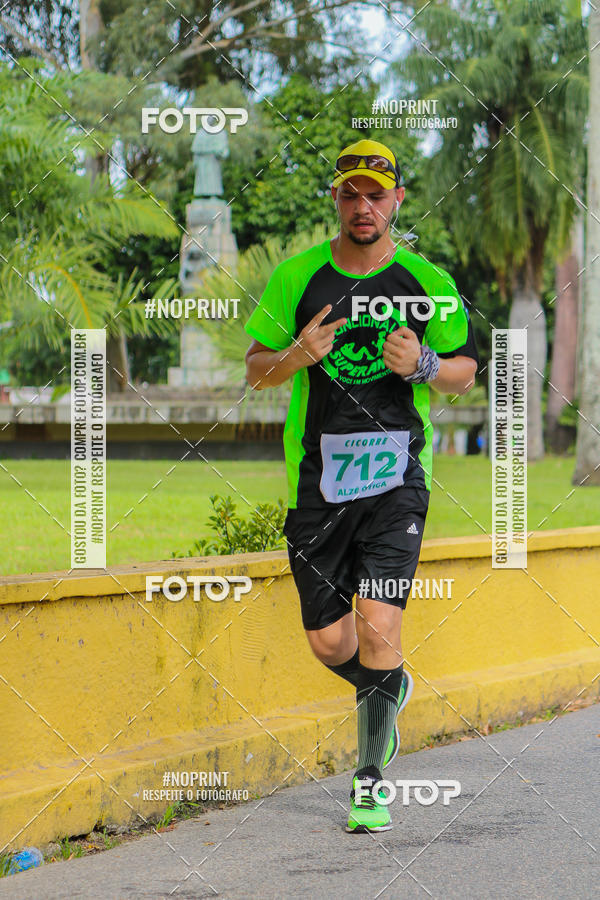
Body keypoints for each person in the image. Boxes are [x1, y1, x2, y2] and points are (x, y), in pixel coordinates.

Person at [244, 138, 478, 833]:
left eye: (377, 193)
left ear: (397, 200)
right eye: (352, 192)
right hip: (318, 483)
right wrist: (297, 355)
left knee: (380, 625)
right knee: (328, 641)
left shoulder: (426, 280)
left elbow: (465, 371)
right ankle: (389, 688)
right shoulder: (297, 279)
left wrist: (425, 361)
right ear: (338, 200)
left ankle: (369, 781)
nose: (364, 204)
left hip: (398, 478)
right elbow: (255, 369)